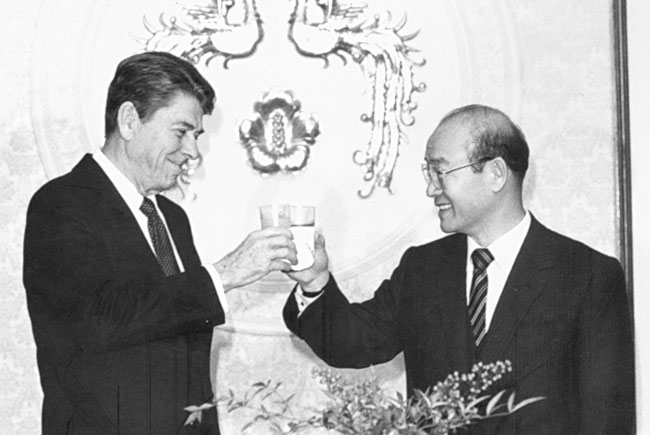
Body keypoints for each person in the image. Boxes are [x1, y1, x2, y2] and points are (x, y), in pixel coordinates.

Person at [283, 104, 635, 434]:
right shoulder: (422, 268)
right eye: (429, 173)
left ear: (495, 174)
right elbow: (351, 343)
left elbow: (607, 419)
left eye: (441, 171)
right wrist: (315, 281)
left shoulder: (587, 275)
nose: (430, 188)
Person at [23, 51, 297, 434]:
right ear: (129, 120)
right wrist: (225, 274)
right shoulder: (61, 204)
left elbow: (185, 359)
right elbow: (99, 321)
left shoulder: (172, 219)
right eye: (181, 132)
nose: (193, 152)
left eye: (196, 136)